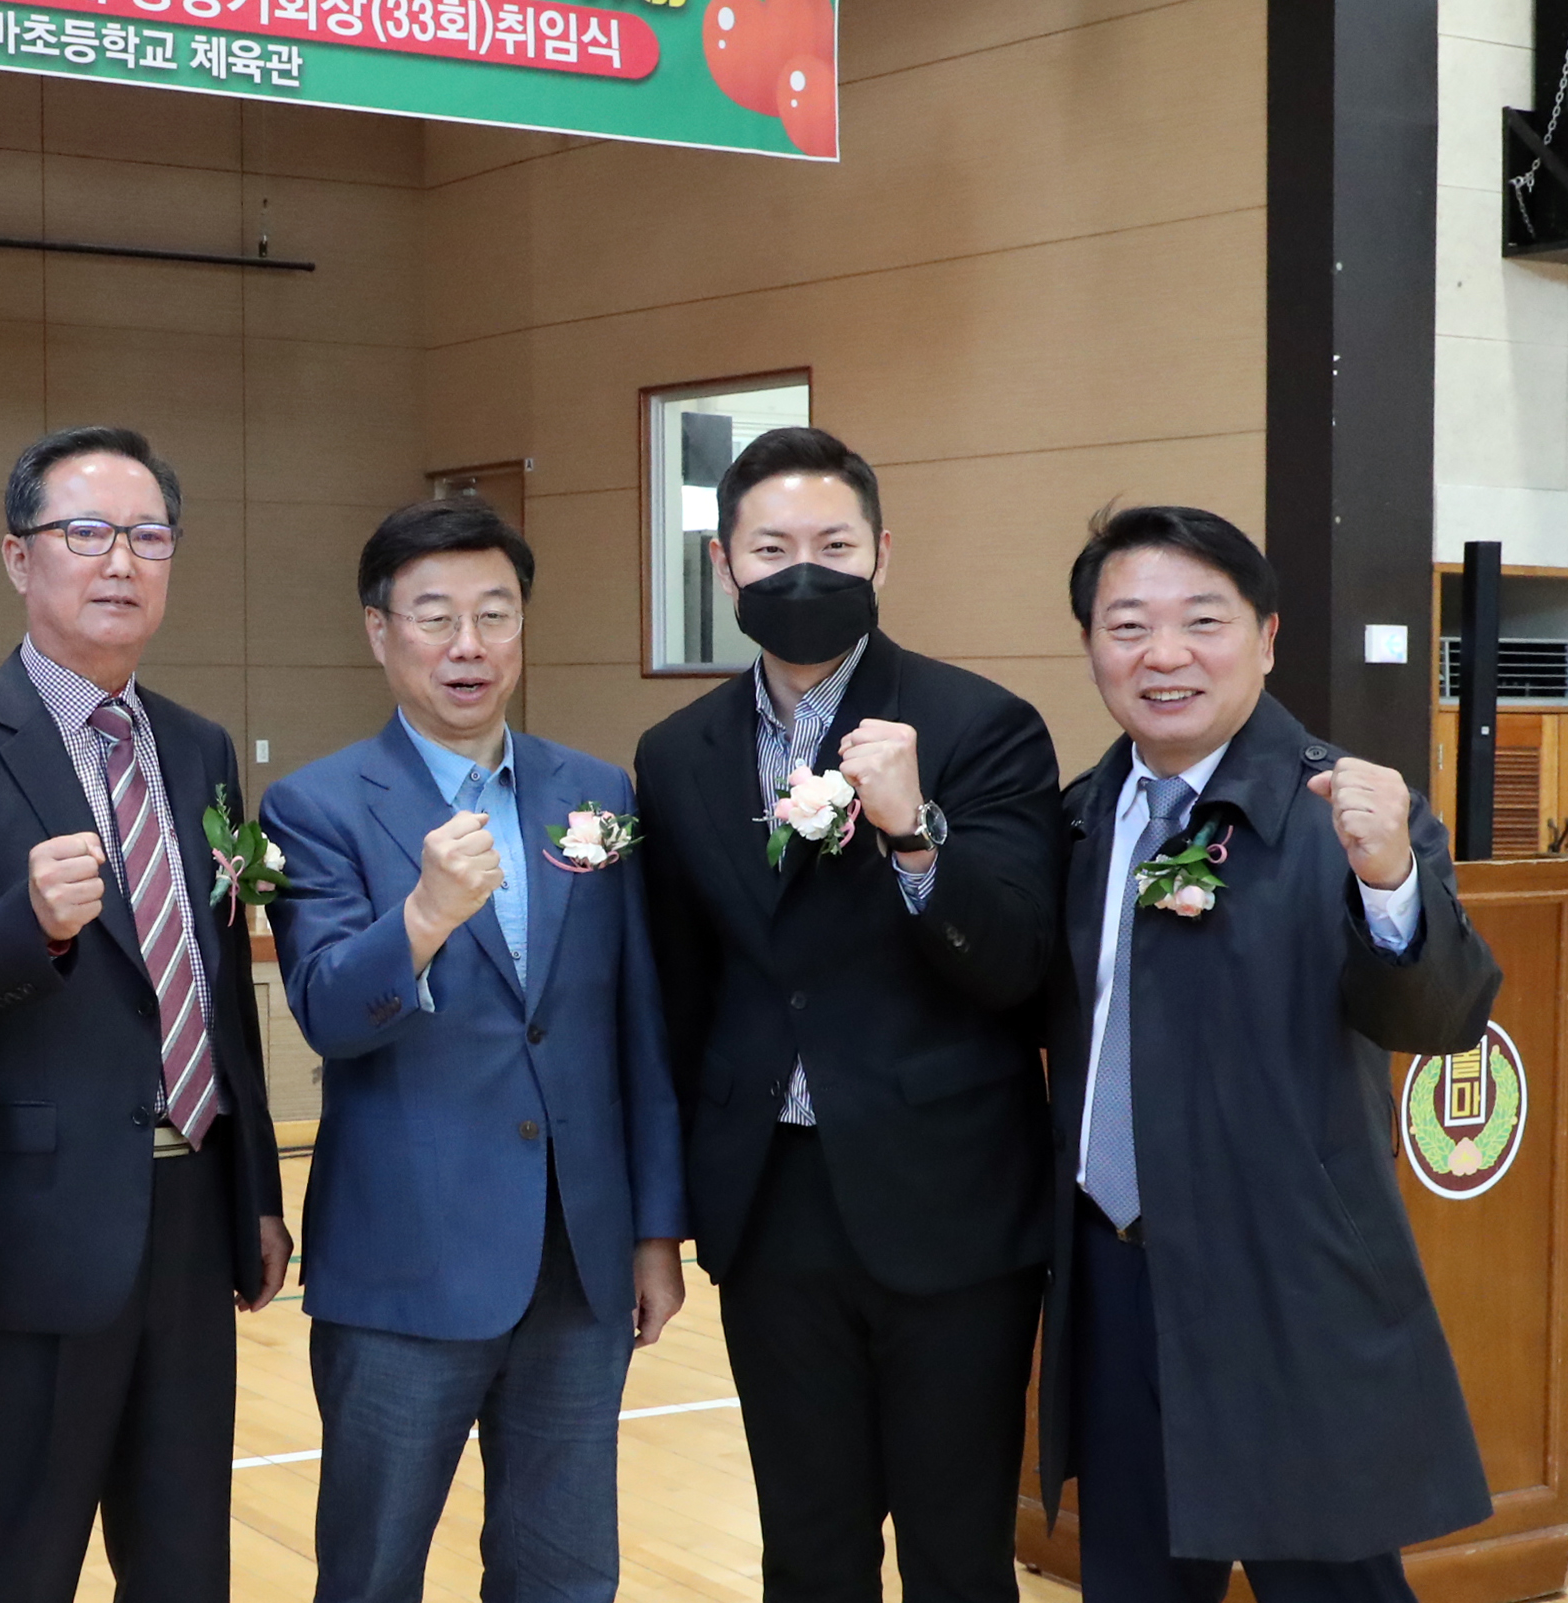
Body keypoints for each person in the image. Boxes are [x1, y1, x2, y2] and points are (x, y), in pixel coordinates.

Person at [1037, 505, 1500, 1603]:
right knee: (1134, 1581)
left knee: (1330, 1581)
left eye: (1203, 620)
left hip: (1283, 1278)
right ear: (1092, 646)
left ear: (1267, 636)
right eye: (1126, 625)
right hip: (1112, 1265)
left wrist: (1389, 880)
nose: (1163, 655)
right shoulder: (1077, 820)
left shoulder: (1342, 809)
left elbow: (1440, 1017)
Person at [632, 426, 1063, 1603]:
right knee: (807, 1546)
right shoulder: (674, 756)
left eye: (833, 543)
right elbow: (678, 996)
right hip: (768, 1204)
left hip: (949, 1199)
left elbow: (1018, 963)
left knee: (954, 1544)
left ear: (882, 555)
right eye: (771, 547)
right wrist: (659, 1218)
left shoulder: (979, 725)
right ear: (722, 567)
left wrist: (917, 832)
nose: (802, 571)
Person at [0, 423, 290, 1603]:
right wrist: (30, 924)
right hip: (27, 1237)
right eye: (88, 534)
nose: (122, 561)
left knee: (183, 1567)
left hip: (189, 1216)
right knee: (16, 1566)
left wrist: (254, 1185)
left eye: (148, 536)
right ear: (19, 558)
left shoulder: (199, 748)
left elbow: (220, 991)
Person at [258, 497, 688, 1603]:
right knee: (372, 1569)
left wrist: (652, 1231)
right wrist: (418, 918)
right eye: (435, 615)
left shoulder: (591, 793)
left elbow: (629, 1023)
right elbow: (323, 1013)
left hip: (575, 1258)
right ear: (378, 631)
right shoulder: (315, 806)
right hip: (404, 1262)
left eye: (494, 614)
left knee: (565, 1572)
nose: (467, 644)